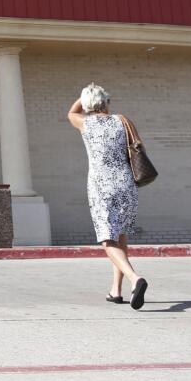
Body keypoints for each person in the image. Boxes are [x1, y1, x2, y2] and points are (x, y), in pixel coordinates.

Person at [67, 83, 148, 309]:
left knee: (107, 239)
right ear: (106, 102)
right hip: (126, 184)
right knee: (120, 235)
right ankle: (116, 290)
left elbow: (71, 112)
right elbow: (138, 146)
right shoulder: (123, 121)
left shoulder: (84, 123)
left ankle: (135, 278)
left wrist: (83, 95)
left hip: (101, 186)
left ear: (87, 104)